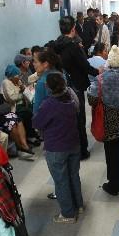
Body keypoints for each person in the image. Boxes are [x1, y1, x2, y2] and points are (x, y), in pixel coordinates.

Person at [32, 73, 83, 223]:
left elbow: (37, 123)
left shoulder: (48, 105)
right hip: (73, 144)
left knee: (61, 180)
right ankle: (78, 205)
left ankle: (68, 214)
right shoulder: (71, 100)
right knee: (73, 175)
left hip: (56, 148)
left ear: (48, 87)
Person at [88, 45, 119, 196]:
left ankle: (113, 184)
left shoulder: (102, 78)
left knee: (112, 155)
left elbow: (92, 98)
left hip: (109, 124)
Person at [54, 16, 99, 160]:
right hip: (76, 86)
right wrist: (98, 71)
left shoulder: (55, 45)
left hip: (61, 86)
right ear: (73, 28)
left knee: (66, 118)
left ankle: (69, 148)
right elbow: (84, 66)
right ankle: (82, 151)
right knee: (79, 119)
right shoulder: (73, 46)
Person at [0, 65, 38, 150]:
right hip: (13, 107)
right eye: (17, 75)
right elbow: (11, 98)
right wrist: (21, 92)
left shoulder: (17, 81)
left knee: (32, 109)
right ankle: (30, 136)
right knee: (27, 113)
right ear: (12, 76)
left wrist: (23, 88)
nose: (19, 77)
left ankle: (32, 134)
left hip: (22, 104)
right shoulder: (6, 82)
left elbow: (26, 92)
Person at [32, 49, 62, 116]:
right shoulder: (61, 74)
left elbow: (37, 108)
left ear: (45, 64)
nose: (33, 64)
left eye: (35, 62)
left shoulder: (42, 82)